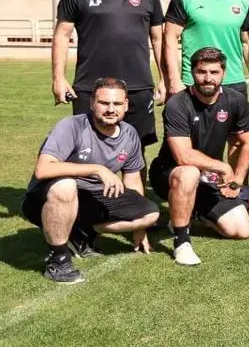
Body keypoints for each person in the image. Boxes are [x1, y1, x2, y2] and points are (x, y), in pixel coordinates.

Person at [22, 77, 159, 283]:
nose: (110, 109)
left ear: (126, 105)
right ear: (92, 103)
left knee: (150, 214)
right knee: (66, 186)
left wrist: (138, 230)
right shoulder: (72, 126)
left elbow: (132, 181)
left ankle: (81, 233)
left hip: (91, 197)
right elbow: (43, 169)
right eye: (104, 103)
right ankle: (58, 261)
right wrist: (97, 169)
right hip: (46, 198)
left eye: (117, 103)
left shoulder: (130, 134)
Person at [51, 0, 165, 154]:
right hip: (90, 87)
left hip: (137, 87)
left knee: (136, 150)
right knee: (86, 150)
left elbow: (158, 39)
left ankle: (134, 181)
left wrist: (164, 79)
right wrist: (58, 78)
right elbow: (62, 35)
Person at [149, 48, 249, 266]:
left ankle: (196, 212)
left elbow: (247, 142)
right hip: (170, 174)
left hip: (208, 178)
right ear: (192, 72)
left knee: (241, 230)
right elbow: (183, 156)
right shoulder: (178, 104)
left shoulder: (235, 100)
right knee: (189, 173)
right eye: (202, 72)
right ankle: (181, 241)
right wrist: (223, 167)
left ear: (223, 73)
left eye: (214, 72)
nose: (208, 78)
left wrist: (237, 179)